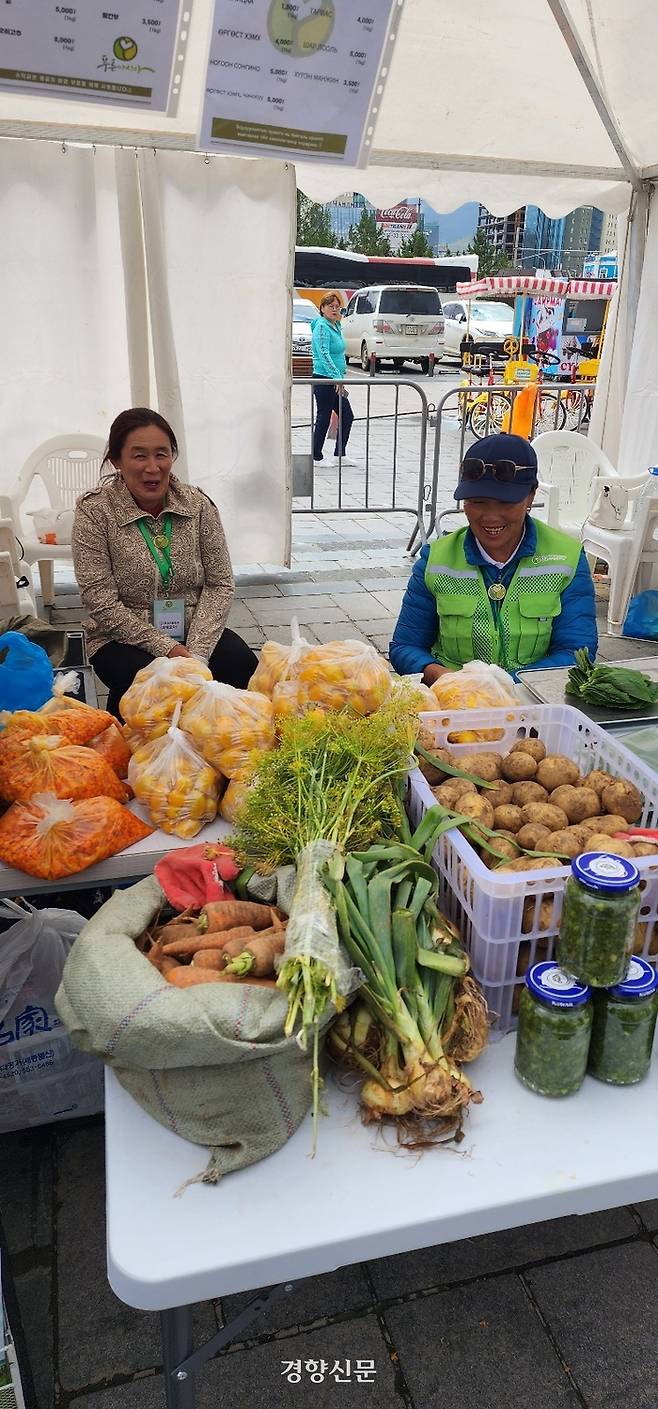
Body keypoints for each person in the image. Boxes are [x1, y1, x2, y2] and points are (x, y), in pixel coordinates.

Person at [72, 407, 257, 718]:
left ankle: (214, 747)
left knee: (242, 666)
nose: (152, 467)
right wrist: (169, 650)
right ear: (117, 460)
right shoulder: (95, 512)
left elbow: (220, 582)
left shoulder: (197, 505)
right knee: (151, 691)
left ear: (173, 456)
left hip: (193, 626)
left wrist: (195, 654)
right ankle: (134, 750)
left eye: (162, 454)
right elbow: (99, 601)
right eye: (139, 455)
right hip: (121, 635)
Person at [390, 433, 597, 683]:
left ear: (531, 496)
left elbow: (577, 652)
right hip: (455, 701)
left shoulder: (567, 558)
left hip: (531, 702)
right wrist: (447, 679)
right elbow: (404, 647)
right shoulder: (435, 560)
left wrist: (506, 686)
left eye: (505, 503)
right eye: (477, 502)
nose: (490, 516)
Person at [311, 292, 355, 465]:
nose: (335, 310)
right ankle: (316, 456)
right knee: (324, 415)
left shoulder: (335, 326)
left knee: (347, 415)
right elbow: (323, 354)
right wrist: (336, 377)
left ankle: (340, 454)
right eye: (331, 306)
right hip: (324, 379)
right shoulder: (322, 327)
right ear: (322, 309)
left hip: (336, 380)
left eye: (337, 307)